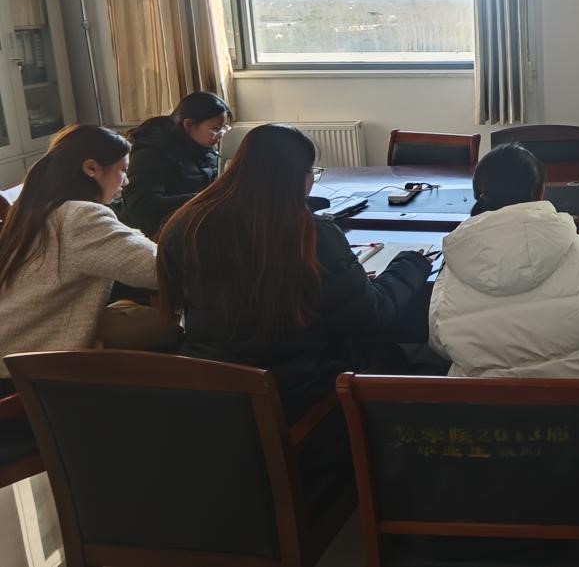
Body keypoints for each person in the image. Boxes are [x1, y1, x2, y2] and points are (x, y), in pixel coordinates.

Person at [157, 124, 430, 421]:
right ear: (296, 177)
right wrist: (411, 264)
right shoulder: (309, 234)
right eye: (312, 172)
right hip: (293, 393)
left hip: (207, 388)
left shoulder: (187, 223)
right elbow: (372, 316)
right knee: (394, 356)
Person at [429, 142, 579, 378]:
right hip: (570, 399)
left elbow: (439, 341)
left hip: (475, 401)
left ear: (479, 196)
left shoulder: (455, 261)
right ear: (541, 193)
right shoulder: (578, 250)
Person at [0, 125, 167, 392]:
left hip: (11, 355)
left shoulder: (34, 210)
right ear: (91, 169)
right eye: (123, 170)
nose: (126, 181)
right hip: (26, 377)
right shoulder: (80, 217)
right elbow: (157, 269)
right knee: (173, 333)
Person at [121, 91, 232, 239]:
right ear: (189, 125)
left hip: (195, 223)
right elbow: (144, 207)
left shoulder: (205, 147)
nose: (221, 135)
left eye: (224, 128)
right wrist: (207, 198)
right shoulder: (151, 152)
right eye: (215, 129)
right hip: (162, 233)